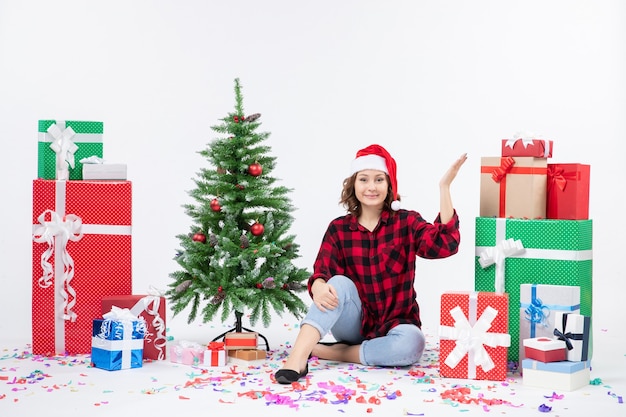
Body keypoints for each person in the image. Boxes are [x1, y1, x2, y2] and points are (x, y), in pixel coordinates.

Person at [274, 144, 467, 384]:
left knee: (412, 344)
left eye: (379, 180)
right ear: (354, 185)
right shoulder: (339, 228)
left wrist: (444, 187)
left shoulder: (406, 222)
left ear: (389, 186)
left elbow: (444, 243)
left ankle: (332, 351)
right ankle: (297, 358)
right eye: (364, 179)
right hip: (354, 323)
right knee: (338, 283)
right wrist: (319, 286)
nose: (371, 187)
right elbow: (322, 272)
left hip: (397, 322)